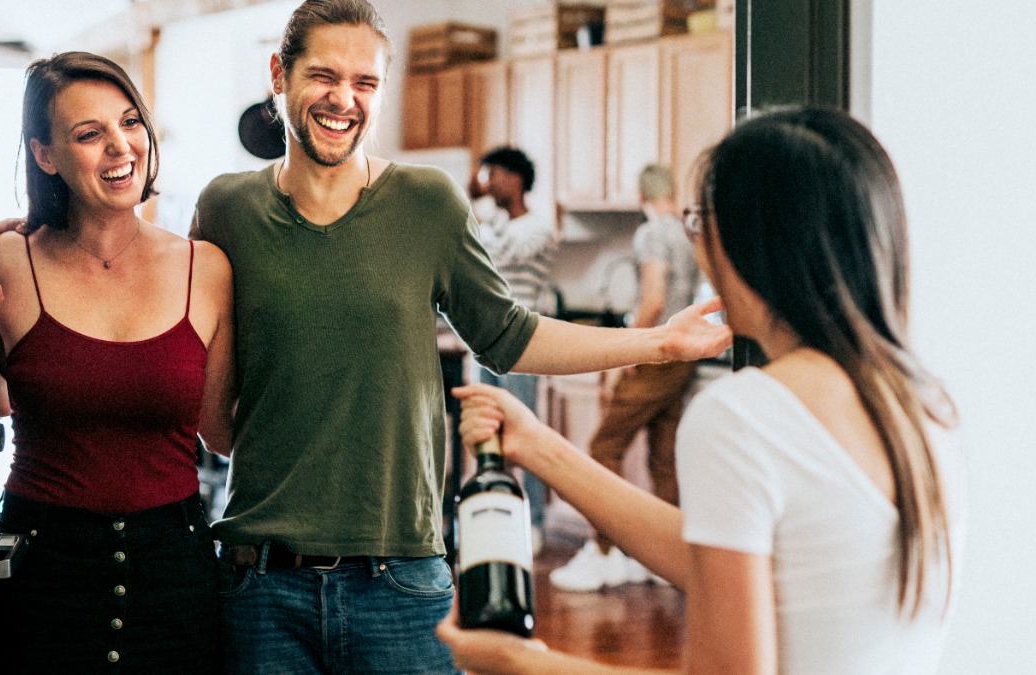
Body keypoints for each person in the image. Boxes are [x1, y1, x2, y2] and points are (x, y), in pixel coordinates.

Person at [190, 1, 730, 673]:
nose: (343, 99)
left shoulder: (428, 203)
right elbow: (214, 412)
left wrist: (658, 344)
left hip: (399, 580)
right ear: (280, 73)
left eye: (365, 82)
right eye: (323, 76)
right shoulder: (225, 209)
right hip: (261, 582)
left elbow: (507, 334)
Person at [439, 106, 965, 674]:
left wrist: (520, 664)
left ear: (743, 241)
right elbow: (721, 560)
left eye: (699, 224)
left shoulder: (743, 416)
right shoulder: (923, 406)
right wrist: (539, 446)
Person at [0, 51, 234, 673]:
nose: (121, 146)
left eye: (130, 122)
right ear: (45, 155)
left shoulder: (205, 270)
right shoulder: (2, 262)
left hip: (174, 577)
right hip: (42, 575)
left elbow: (224, 434)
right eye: (89, 133)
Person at [549, 163, 698, 592]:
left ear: (641, 195)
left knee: (603, 446)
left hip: (656, 352)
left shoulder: (651, 234)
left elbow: (652, 299)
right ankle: (661, 559)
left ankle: (604, 550)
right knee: (664, 455)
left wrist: (631, 346)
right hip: (683, 355)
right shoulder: (689, 233)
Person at [468, 146, 557, 553]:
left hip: (523, 343)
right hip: (485, 342)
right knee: (488, 435)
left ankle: (535, 523)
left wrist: (478, 211)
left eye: (496, 173)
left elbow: (499, 252)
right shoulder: (496, 221)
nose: (490, 181)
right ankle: (495, 518)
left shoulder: (538, 228)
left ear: (517, 178)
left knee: (527, 433)